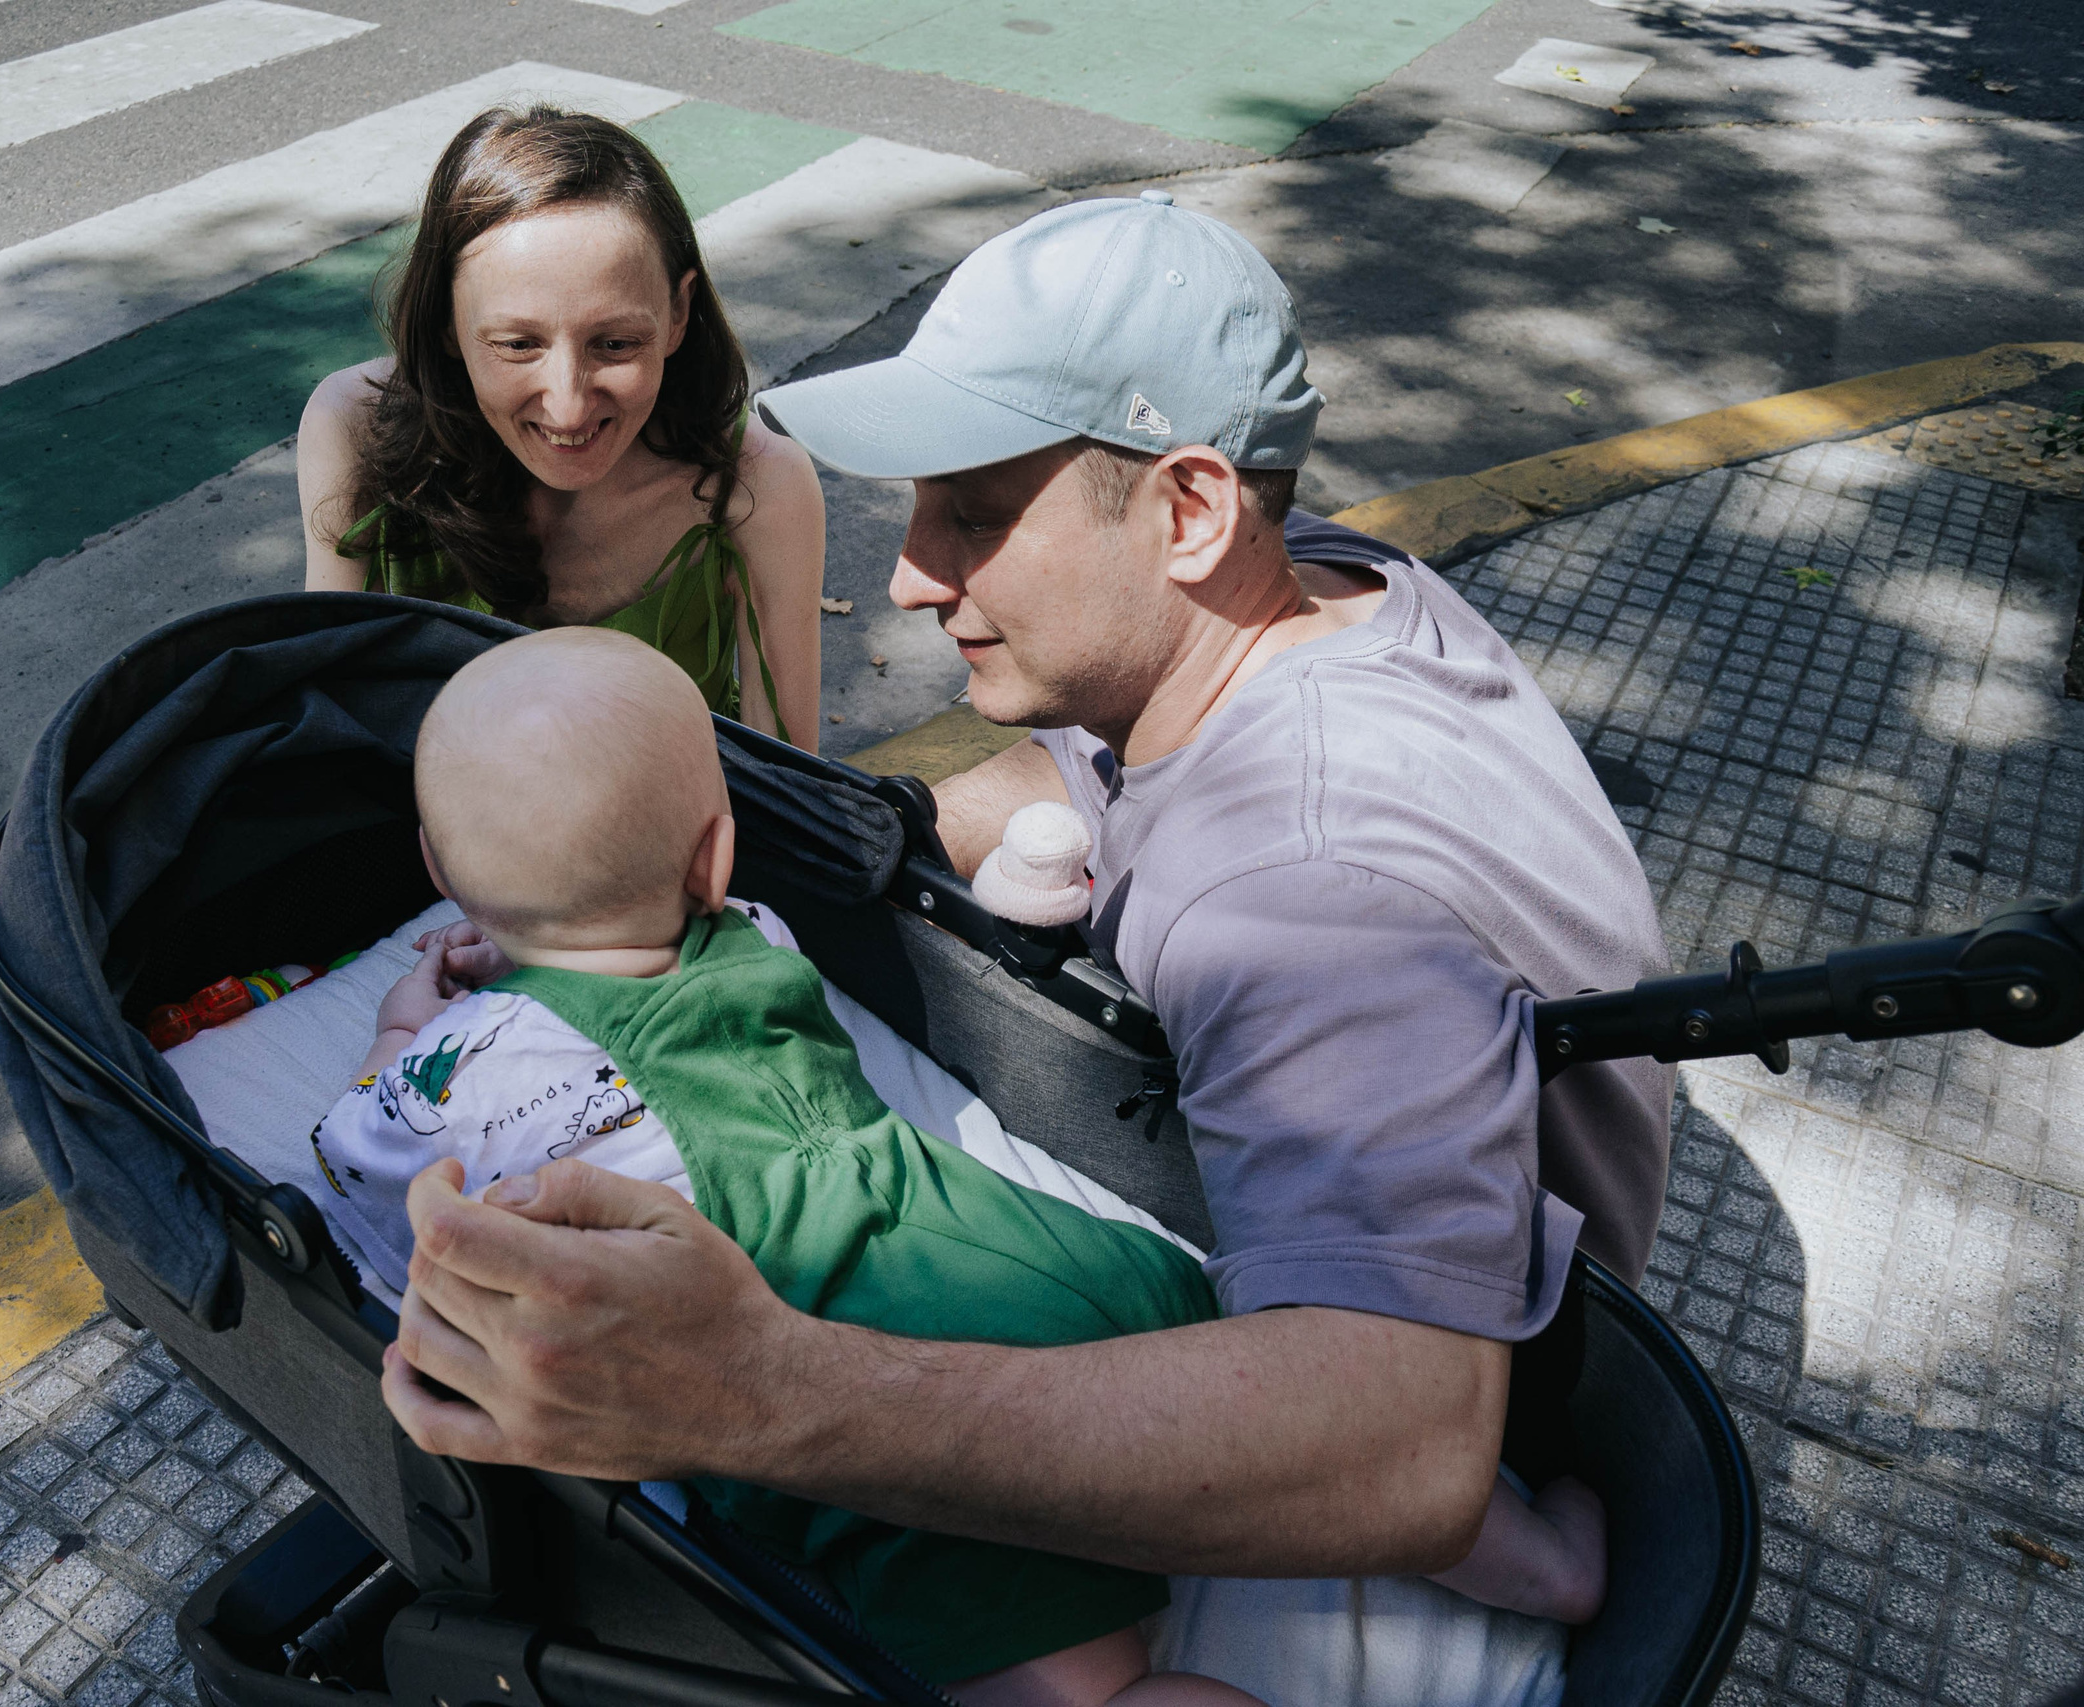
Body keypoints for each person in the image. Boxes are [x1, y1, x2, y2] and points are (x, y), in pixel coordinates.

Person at [374, 196, 1676, 1704]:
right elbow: (1087, 768)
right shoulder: (1295, 579)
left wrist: (759, 1391)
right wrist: (862, 832)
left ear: (1188, 508)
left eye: (978, 513)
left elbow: (1405, 1448)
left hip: (1447, 1357)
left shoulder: (1305, 892)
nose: (916, 575)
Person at [300, 625, 1262, 1707]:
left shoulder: (459, 1071)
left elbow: (352, 1152)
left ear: (436, 868)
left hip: (883, 1381)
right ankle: (1469, 1545)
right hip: (1071, 1264)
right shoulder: (756, 932)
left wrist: (400, 1035)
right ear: (714, 858)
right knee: (1270, 1428)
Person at [295, 106, 824, 747]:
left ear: (679, 313)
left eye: (617, 343)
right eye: (518, 345)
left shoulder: (757, 484)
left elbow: (791, 781)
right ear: (445, 324)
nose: (569, 408)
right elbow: (326, 733)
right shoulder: (352, 426)